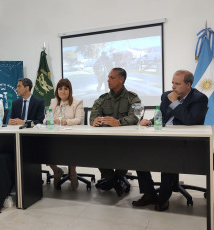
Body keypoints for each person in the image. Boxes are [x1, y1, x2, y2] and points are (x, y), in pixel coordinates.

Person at [132, 70, 208, 211]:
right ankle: (149, 193)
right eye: (172, 83)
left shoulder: (200, 98)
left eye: (177, 84)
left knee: (168, 156)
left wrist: (175, 103)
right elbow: (162, 117)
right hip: (164, 136)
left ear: (188, 85)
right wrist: (149, 121)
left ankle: (163, 198)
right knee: (139, 154)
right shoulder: (167, 96)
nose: (173, 87)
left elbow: (191, 121)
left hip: (185, 141)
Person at [89, 67, 141, 196]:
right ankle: (115, 182)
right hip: (105, 140)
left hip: (125, 140)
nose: (108, 80)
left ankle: (112, 180)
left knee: (127, 154)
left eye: (112, 78)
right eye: (108, 77)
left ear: (121, 80)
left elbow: (135, 117)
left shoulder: (133, 98)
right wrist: (94, 121)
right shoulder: (102, 99)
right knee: (95, 153)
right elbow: (93, 115)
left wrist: (119, 122)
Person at [43, 78, 84, 190]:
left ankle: (72, 172)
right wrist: (48, 121)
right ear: (57, 91)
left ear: (70, 90)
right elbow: (45, 119)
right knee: (44, 148)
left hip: (71, 136)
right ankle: (57, 171)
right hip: (55, 135)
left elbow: (79, 120)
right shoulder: (53, 101)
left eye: (66, 89)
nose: (63, 91)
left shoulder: (77, 102)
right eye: (60, 89)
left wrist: (64, 121)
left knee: (71, 148)